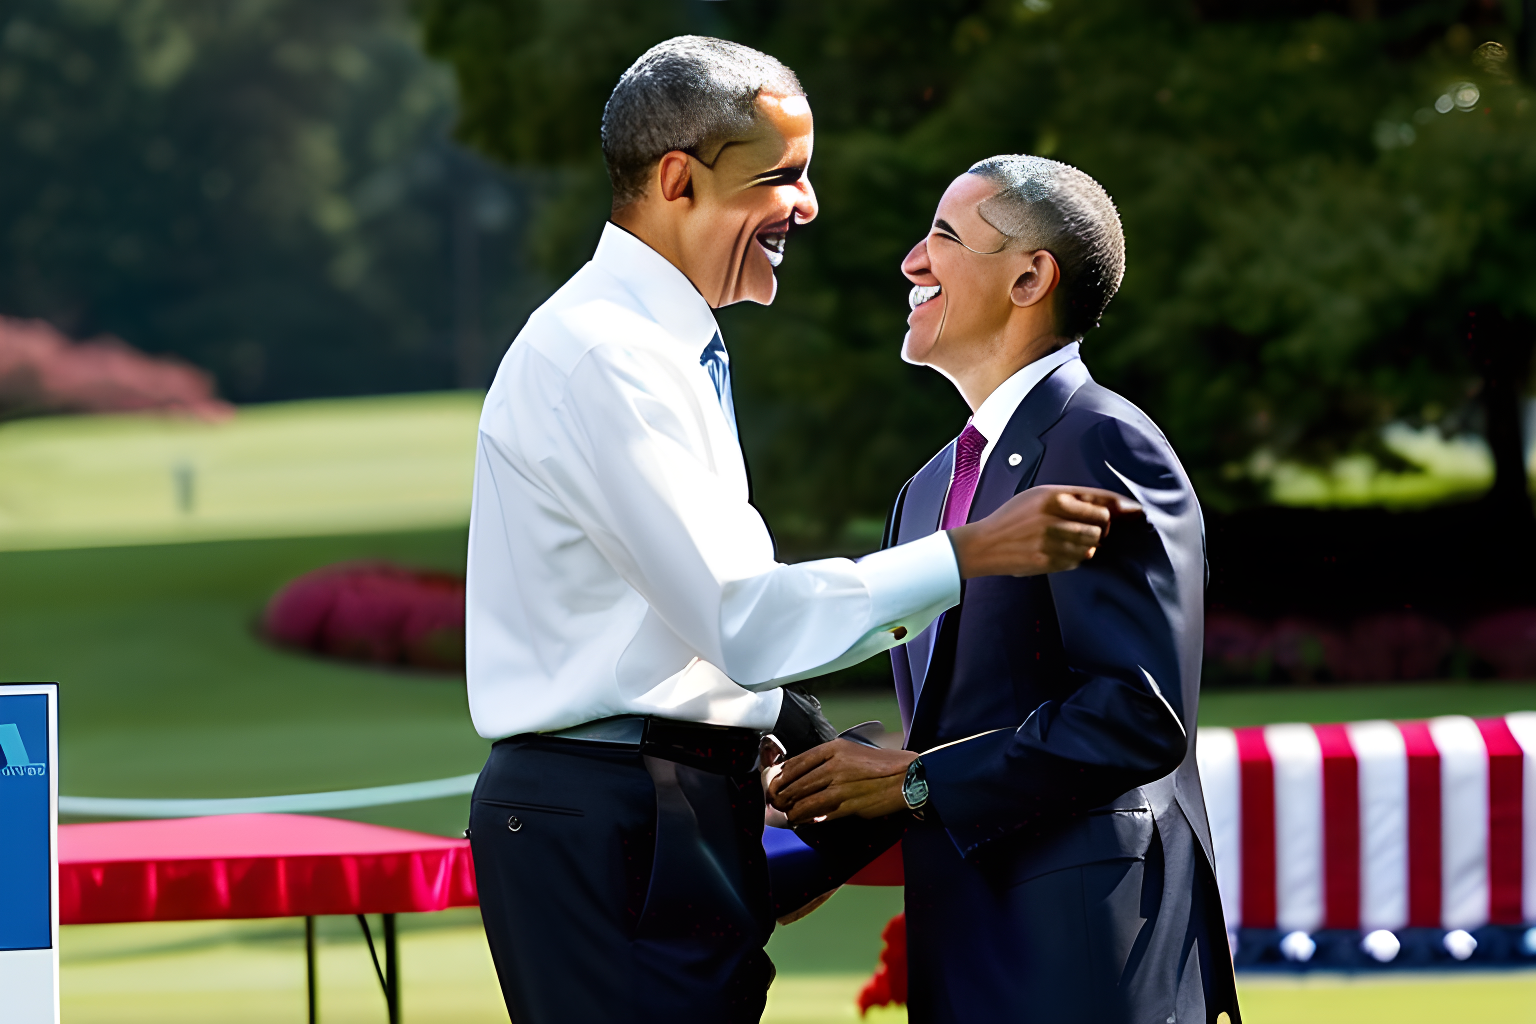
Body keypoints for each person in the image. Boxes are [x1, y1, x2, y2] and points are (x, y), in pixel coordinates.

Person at [463, 37, 1137, 1024]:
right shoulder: (610, 354)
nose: (809, 205)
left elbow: (687, 615)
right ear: (678, 180)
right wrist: (970, 552)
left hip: (654, 808)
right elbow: (742, 613)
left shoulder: (657, 341)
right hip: (615, 813)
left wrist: (786, 735)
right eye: (781, 176)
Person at [771, 156, 1240, 1023]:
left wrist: (913, 782)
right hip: (963, 949)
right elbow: (962, 731)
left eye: (944, 237)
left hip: (1090, 950)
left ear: (1031, 276)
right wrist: (818, 803)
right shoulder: (924, 492)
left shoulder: (1101, 441)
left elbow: (1137, 715)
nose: (913, 261)